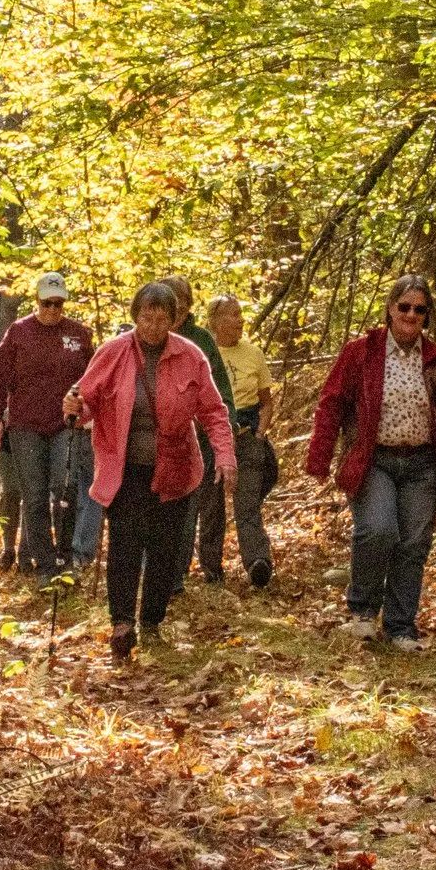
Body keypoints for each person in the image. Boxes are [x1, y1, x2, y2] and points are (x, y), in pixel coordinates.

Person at [65, 282, 235, 659]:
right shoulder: (113, 353)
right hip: (123, 468)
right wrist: (75, 406)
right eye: (146, 317)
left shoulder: (191, 356)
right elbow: (86, 399)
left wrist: (225, 455)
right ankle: (122, 623)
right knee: (125, 543)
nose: (154, 326)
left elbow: (213, 411)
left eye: (162, 319)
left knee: (165, 549)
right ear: (134, 316)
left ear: (174, 319)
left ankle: (152, 621)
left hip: (175, 468)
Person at [307, 276, 436, 649]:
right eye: (404, 307)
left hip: (422, 465)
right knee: (378, 530)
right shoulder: (362, 353)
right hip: (374, 460)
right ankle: (364, 609)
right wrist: (319, 457)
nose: (411, 314)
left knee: (414, 543)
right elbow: (332, 402)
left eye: (419, 309)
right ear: (390, 308)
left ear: (427, 315)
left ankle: (401, 625)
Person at [0, 272, 95, 574]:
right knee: (33, 496)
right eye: (47, 303)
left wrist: (91, 410)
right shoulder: (19, 332)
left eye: (58, 304)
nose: (52, 310)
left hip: (65, 425)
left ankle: (65, 558)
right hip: (26, 426)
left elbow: (94, 378)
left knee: (66, 489)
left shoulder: (78, 335)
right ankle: (44, 564)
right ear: (37, 302)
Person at [163, 276, 236, 583]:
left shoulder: (201, 340)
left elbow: (221, 392)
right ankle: (173, 572)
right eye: (171, 300)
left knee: (209, 504)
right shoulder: (149, 337)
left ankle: (211, 567)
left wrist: (224, 433)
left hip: (203, 438)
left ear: (189, 305)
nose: (177, 307)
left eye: (182, 301)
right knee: (174, 508)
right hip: (165, 441)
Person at [208, 295, 281, 588]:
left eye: (240, 315)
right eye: (233, 315)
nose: (240, 320)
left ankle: (257, 563)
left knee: (247, 503)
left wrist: (260, 433)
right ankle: (211, 570)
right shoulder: (206, 353)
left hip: (247, 436)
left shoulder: (254, 353)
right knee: (211, 506)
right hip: (213, 438)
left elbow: (266, 402)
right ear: (216, 321)